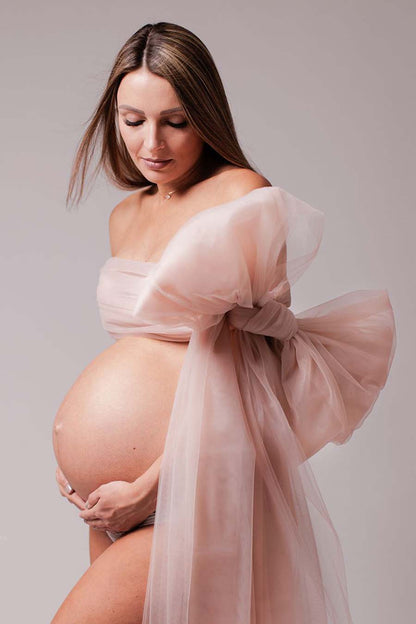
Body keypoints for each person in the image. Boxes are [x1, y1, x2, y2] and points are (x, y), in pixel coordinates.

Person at [51, 21, 396, 624]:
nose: (151, 143)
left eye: (175, 121)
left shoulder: (242, 196)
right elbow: (146, 355)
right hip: (109, 504)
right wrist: (79, 454)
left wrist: (149, 488)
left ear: (207, 116)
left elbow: (248, 377)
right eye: (133, 121)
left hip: (191, 492)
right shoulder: (124, 215)